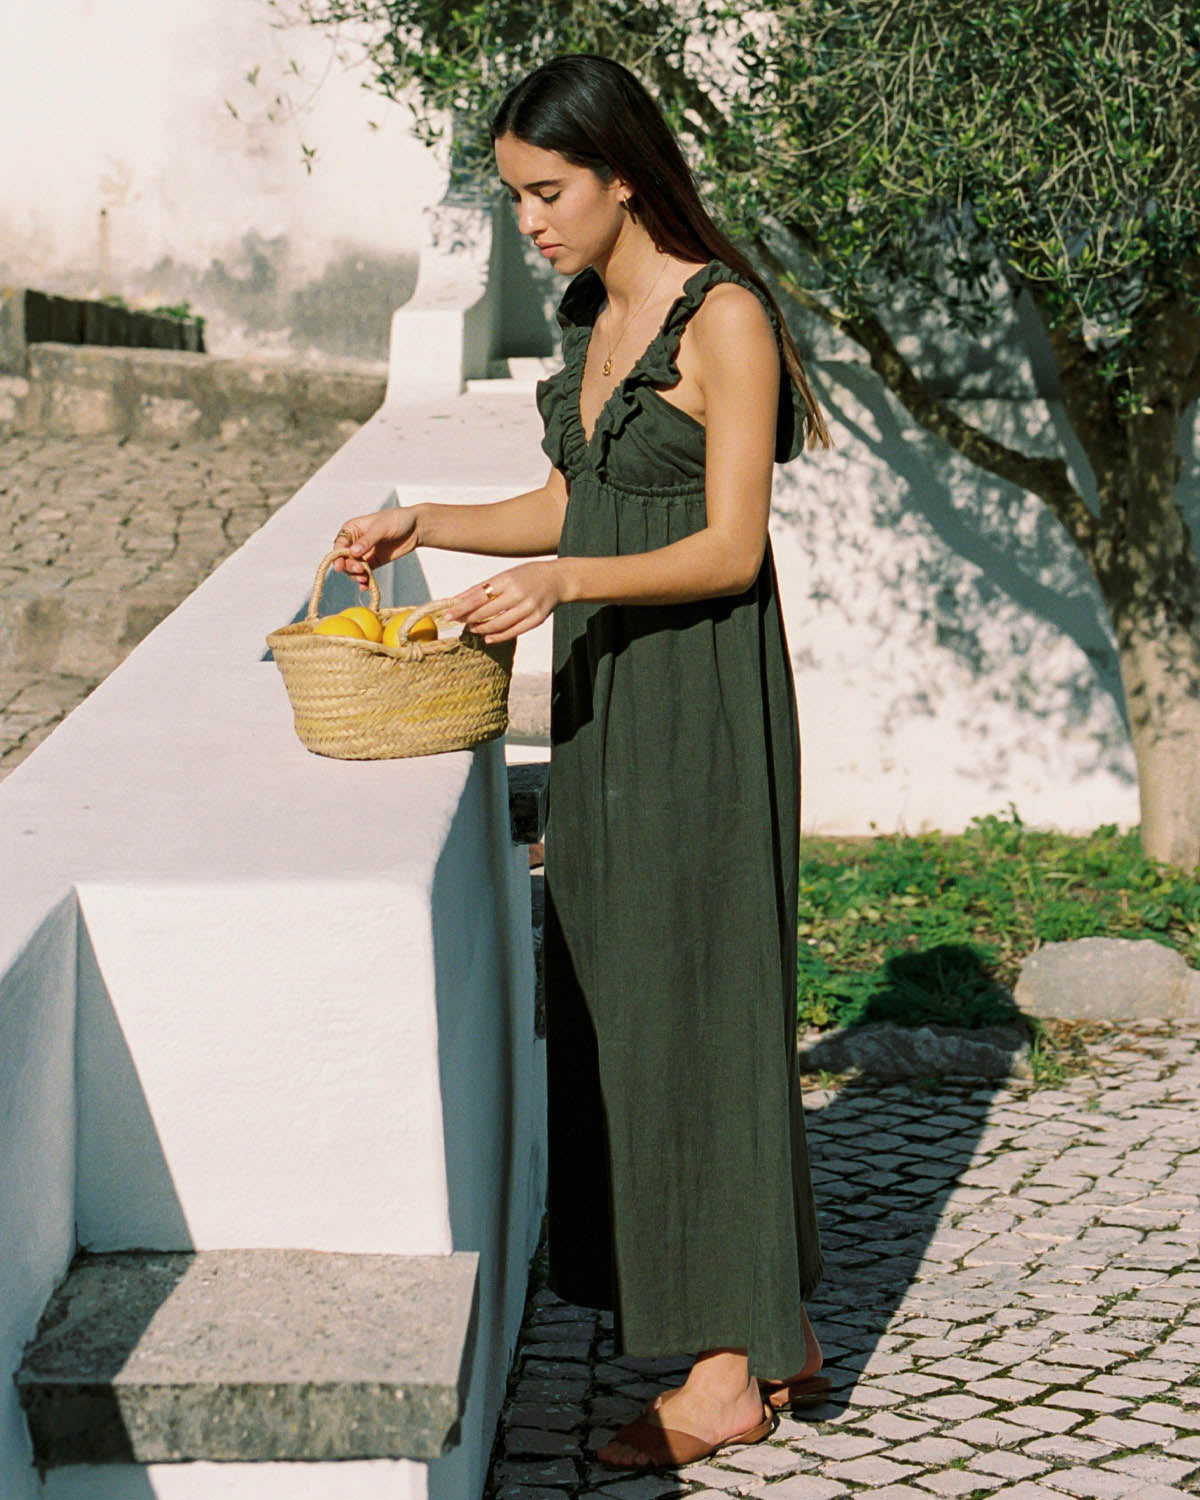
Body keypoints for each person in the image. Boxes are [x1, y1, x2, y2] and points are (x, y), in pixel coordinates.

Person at [333, 52, 831, 1472]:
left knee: (708, 998)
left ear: (624, 174)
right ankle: (773, 1325)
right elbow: (579, 491)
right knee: (617, 984)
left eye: (549, 194)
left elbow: (732, 545)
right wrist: (420, 514)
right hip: (608, 688)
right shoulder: (590, 311)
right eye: (516, 200)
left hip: (703, 690)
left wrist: (563, 582)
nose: (531, 224)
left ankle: (730, 1372)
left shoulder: (723, 317)